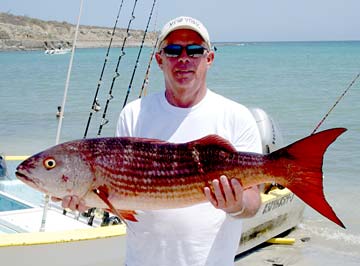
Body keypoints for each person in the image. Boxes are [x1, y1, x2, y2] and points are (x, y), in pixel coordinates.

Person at [57, 16, 262, 266]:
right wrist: (86, 199)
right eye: (173, 50)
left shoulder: (237, 117)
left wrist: (237, 204)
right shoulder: (133, 114)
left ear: (209, 59)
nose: (184, 59)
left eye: (195, 50)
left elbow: (253, 202)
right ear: (159, 60)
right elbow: (123, 195)